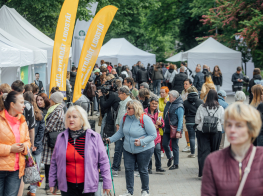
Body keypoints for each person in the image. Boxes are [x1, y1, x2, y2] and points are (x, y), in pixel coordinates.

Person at [201, 102, 263, 195]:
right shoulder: (213, 161)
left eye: (239, 125)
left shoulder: (261, 157)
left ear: (251, 128)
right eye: (229, 125)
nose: (232, 130)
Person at [49, 106, 111, 196]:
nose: (71, 119)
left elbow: (104, 161)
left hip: (88, 186)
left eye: (74, 117)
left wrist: (107, 183)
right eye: (69, 117)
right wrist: (52, 182)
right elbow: (54, 161)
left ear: (82, 119)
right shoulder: (61, 137)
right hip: (67, 186)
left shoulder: (94, 137)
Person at [107, 100, 157, 196]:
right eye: (127, 108)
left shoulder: (144, 118)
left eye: (129, 108)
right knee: (128, 169)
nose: (127, 110)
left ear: (136, 109)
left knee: (143, 169)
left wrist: (141, 142)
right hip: (128, 149)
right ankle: (129, 191)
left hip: (144, 149)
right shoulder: (125, 118)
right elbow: (120, 132)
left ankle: (145, 191)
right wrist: (110, 139)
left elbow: (153, 135)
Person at [0, 91, 31, 196]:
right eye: (21, 102)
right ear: (12, 104)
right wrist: (10, 149)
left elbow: (27, 141)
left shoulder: (22, 121)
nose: (24, 105)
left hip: (16, 170)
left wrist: (24, 147)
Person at [195, 90, 224, 177]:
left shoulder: (201, 106)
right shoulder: (220, 107)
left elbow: (197, 120)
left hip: (202, 131)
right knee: (214, 151)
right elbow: (222, 121)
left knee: (203, 152)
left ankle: (204, 173)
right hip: (216, 131)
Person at [42, 92, 65, 194]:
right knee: (52, 163)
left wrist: (41, 130)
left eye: (51, 99)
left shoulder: (56, 111)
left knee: (51, 163)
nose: (49, 101)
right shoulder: (57, 109)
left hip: (52, 140)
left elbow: (48, 127)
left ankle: (53, 186)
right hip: (54, 139)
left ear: (54, 101)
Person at [24, 92, 45, 196]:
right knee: (35, 168)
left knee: (23, 167)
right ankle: (33, 191)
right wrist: (36, 144)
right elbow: (42, 131)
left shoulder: (21, 113)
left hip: (25, 145)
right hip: (36, 146)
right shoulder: (39, 113)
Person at [112, 86, 133, 177]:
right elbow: (119, 115)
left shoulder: (129, 103)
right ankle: (116, 167)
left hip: (126, 130)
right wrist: (117, 123)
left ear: (124, 94)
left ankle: (115, 168)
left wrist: (120, 126)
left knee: (120, 149)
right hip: (121, 129)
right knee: (118, 148)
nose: (118, 96)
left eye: (119, 94)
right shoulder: (122, 103)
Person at [163, 90, 184, 170]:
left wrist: (179, 131)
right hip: (167, 128)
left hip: (175, 129)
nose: (169, 97)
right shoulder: (168, 103)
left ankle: (176, 164)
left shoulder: (179, 106)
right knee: (165, 144)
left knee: (175, 146)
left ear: (174, 98)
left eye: (170, 96)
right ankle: (170, 157)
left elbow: (180, 120)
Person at [145, 96, 165, 173]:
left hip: (156, 136)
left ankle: (158, 167)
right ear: (149, 103)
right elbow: (142, 123)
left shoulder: (159, 112)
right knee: (149, 152)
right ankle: (149, 168)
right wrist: (152, 126)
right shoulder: (145, 112)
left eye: (156, 104)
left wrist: (160, 124)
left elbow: (163, 124)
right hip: (148, 136)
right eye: (153, 103)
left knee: (158, 151)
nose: (154, 105)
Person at [184, 86, 203, 157]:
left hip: (189, 121)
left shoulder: (185, 102)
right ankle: (200, 153)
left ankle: (192, 153)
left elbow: (184, 112)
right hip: (199, 122)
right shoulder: (200, 101)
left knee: (191, 137)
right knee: (199, 138)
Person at [159, 86, 172, 156]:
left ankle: (169, 150)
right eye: (160, 92)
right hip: (160, 120)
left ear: (167, 92)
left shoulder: (169, 99)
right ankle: (162, 150)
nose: (161, 94)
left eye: (163, 92)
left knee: (168, 135)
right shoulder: (159, 100)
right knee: (161, 135)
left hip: (168, 120)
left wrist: (167, 103)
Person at [181, 79, 193, 153]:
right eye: (184, 84)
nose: (185, 85)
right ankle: (189, 144)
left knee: (188, 130)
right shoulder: (183, 91)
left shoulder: (191, 91)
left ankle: (190, 145)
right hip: (183, 112)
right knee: (185, 130)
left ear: (190, 84)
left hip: (188, 113)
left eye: (186, 84)